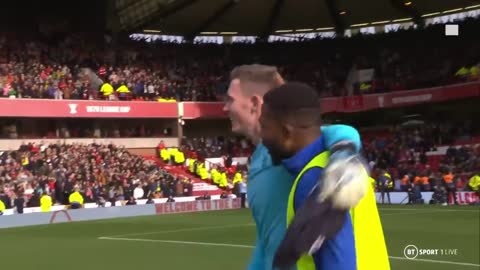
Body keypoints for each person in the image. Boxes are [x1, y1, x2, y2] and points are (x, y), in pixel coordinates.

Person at [223, 64, 363, 270]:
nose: (225, 107)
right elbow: (266, 241)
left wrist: (344, 155)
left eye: (230, 100)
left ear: (254, 103)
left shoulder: (292, 148)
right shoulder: (261, 158)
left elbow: (341, 131)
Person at [259, 82, 389, 270]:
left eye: (264, 127)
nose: (261, 137)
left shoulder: (316, 179)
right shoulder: (343, 164)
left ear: (286, 131)